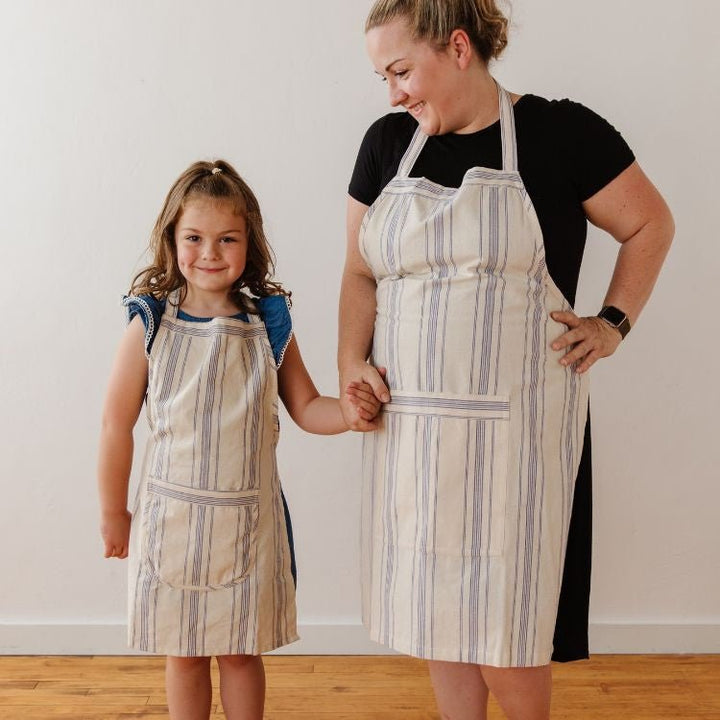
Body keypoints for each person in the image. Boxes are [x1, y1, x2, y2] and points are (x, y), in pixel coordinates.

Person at [338, 1, 674, 718]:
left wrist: (612, 323)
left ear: (458, 47)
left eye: (400, 71)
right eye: (383, 77)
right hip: (414, 436)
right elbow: (360, 271)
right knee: (438, 624)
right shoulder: (385, 145)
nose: (393, 92)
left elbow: (650, 221)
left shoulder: (560, 134)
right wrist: (350, 363)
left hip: (517, 444)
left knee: (510, 635)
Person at [97, 159, 381, 720]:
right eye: (194, 238)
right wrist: (113, 510)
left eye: (227, 238)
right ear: (171, 239)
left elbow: (305, 406)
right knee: (183, 653)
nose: (209, 252)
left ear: (249, 242)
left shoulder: (268, 322)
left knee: (241, 653)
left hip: (247, 525)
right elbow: (115, 422)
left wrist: (348, 413)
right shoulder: (150, 323)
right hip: (170, 524)